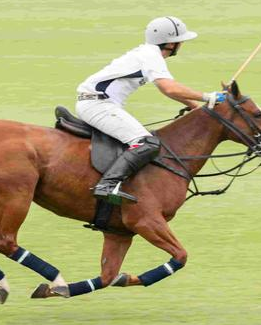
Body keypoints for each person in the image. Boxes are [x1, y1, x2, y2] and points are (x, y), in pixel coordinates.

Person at [76, 16, 227, 205]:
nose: (182, 44)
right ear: (170, 43)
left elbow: (169, 90)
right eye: (180, 41)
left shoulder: (148, 53)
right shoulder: (151, 55)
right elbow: (169, 88)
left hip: (97, 103)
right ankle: (107, 185)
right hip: (97, 105)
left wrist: (196, 107)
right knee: (146, 142)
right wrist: (208, 96)